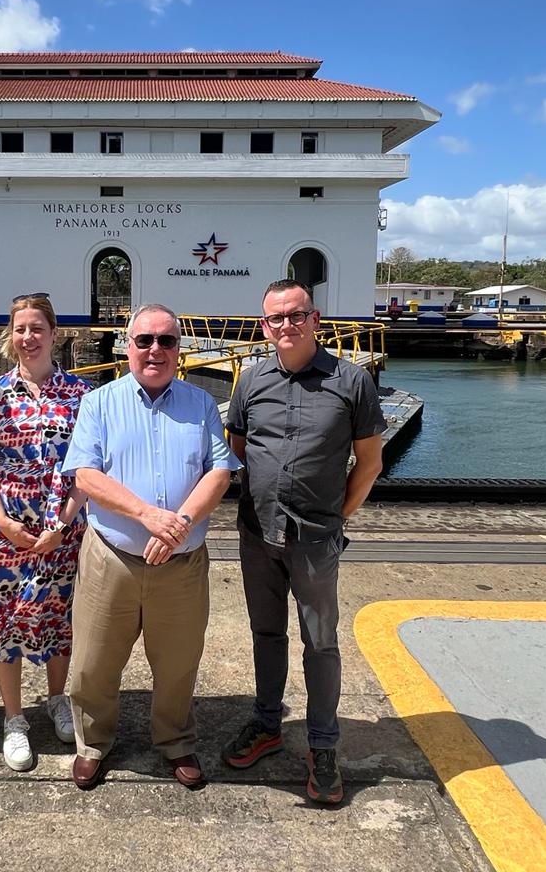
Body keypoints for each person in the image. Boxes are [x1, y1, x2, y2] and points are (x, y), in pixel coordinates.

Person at [60, 303, 240, 791]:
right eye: (144, 340)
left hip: (180, 563)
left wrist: (177, 525)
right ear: (127, 346)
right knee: (93, 663)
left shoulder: (200, 404)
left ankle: (176, 741)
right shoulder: (99, 403)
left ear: (179, 349)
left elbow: (219, 471)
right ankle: (93, 743)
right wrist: (147, 516)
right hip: (110, 558)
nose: (155, 350)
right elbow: (86, 474)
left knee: (178, 662)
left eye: (166, 340)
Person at [222, 279, 385, 805]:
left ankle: (323, 743)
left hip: (316, 537)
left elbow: (370, 461)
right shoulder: (250, 381)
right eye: (275, 318)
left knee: (321, 643)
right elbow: (239, 447)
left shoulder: (351, 380)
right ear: (264, 325)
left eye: (296, 315)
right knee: (266, 633)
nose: (286, 325)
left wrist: (336, 517)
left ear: (315, 318)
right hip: (258, 530)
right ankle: (267, 722)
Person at [0, 293, 92, 771]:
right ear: (10, 336)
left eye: (38, 328)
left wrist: (62, 524)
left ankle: (58, 698)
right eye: (20, 329)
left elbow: (85, 468)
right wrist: (0, 520)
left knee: (59, 614)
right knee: (5, 619)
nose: (28, 337)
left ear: (55, 334)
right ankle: (14, 718)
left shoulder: (80, 395)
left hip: (61, 527)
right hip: (6, 527)